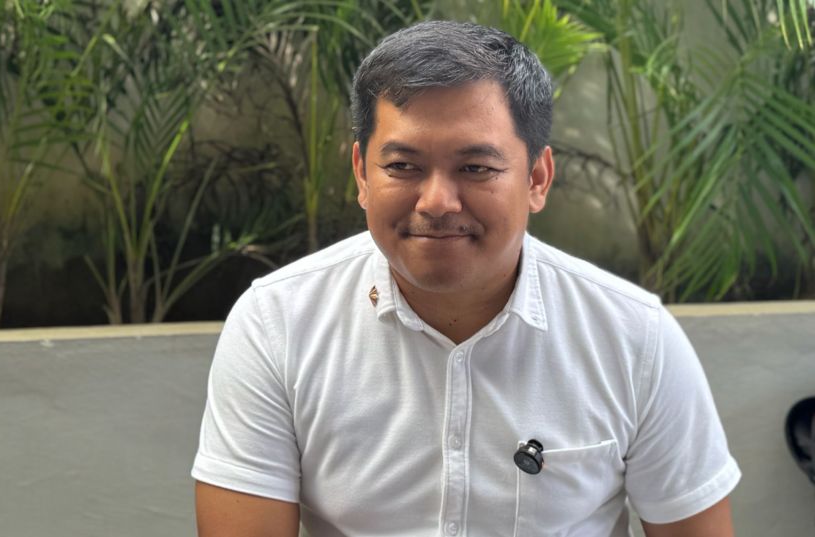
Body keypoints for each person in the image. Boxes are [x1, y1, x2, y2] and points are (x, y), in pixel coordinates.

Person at [192, 20, 741, 537]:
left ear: (537, 178)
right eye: (402, 166)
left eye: (476, 168)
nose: (436, 202)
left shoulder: (634, 337)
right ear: (361, 174)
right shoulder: (278, 324)